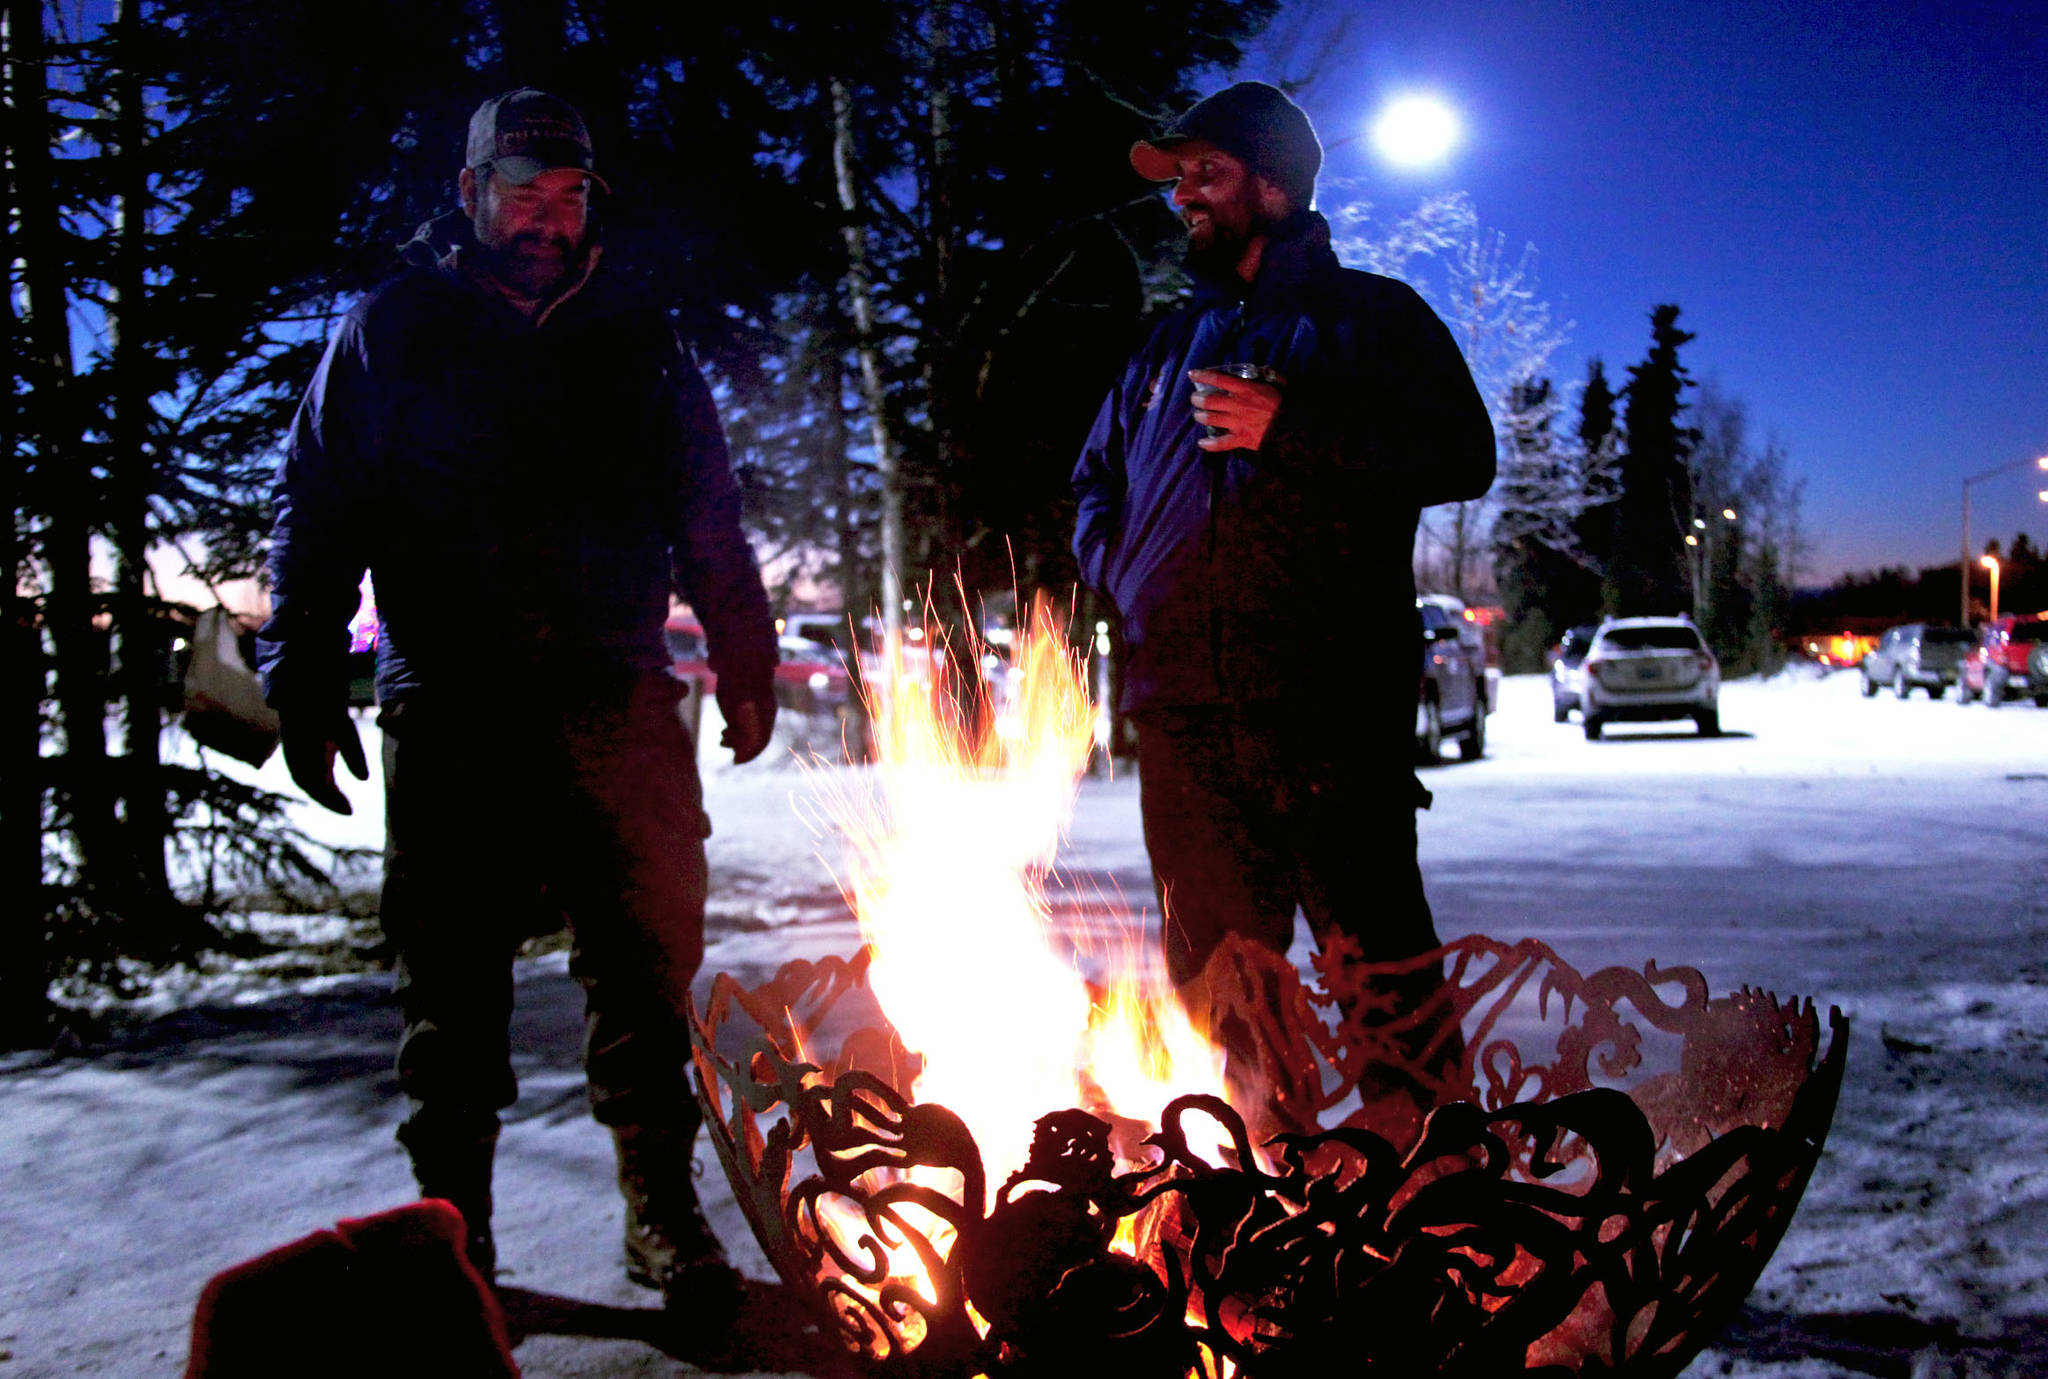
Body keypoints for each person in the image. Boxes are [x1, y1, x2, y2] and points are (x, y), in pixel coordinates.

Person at [256, 88, 779, 1306]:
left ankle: (661, 1214)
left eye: (567, 196)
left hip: (618, 701)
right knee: (450, 997)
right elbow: (317, 507)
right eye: (522, 193)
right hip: (453, 706)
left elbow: (707, 513)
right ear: (470, 193)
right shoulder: (394, 330)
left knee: (646, 971)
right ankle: (455, 1235)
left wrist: (745, 654)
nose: (546, 218)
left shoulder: (635, 335)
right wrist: (301, 672)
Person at [1070, 82, 1495, 1062]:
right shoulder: (1159, 349)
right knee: (1217, 997)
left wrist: (1292, 429)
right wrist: (1126, 575)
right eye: (1177, 179)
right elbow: (1092, 484)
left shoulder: (1373, 319)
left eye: (1205, 173)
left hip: (1328, 712)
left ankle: (1428, 1196)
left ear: (1273, 184)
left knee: (1381, 981)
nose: (1184, 196)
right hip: (1181, 717)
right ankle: (1252, 1192)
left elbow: (1460, 456)